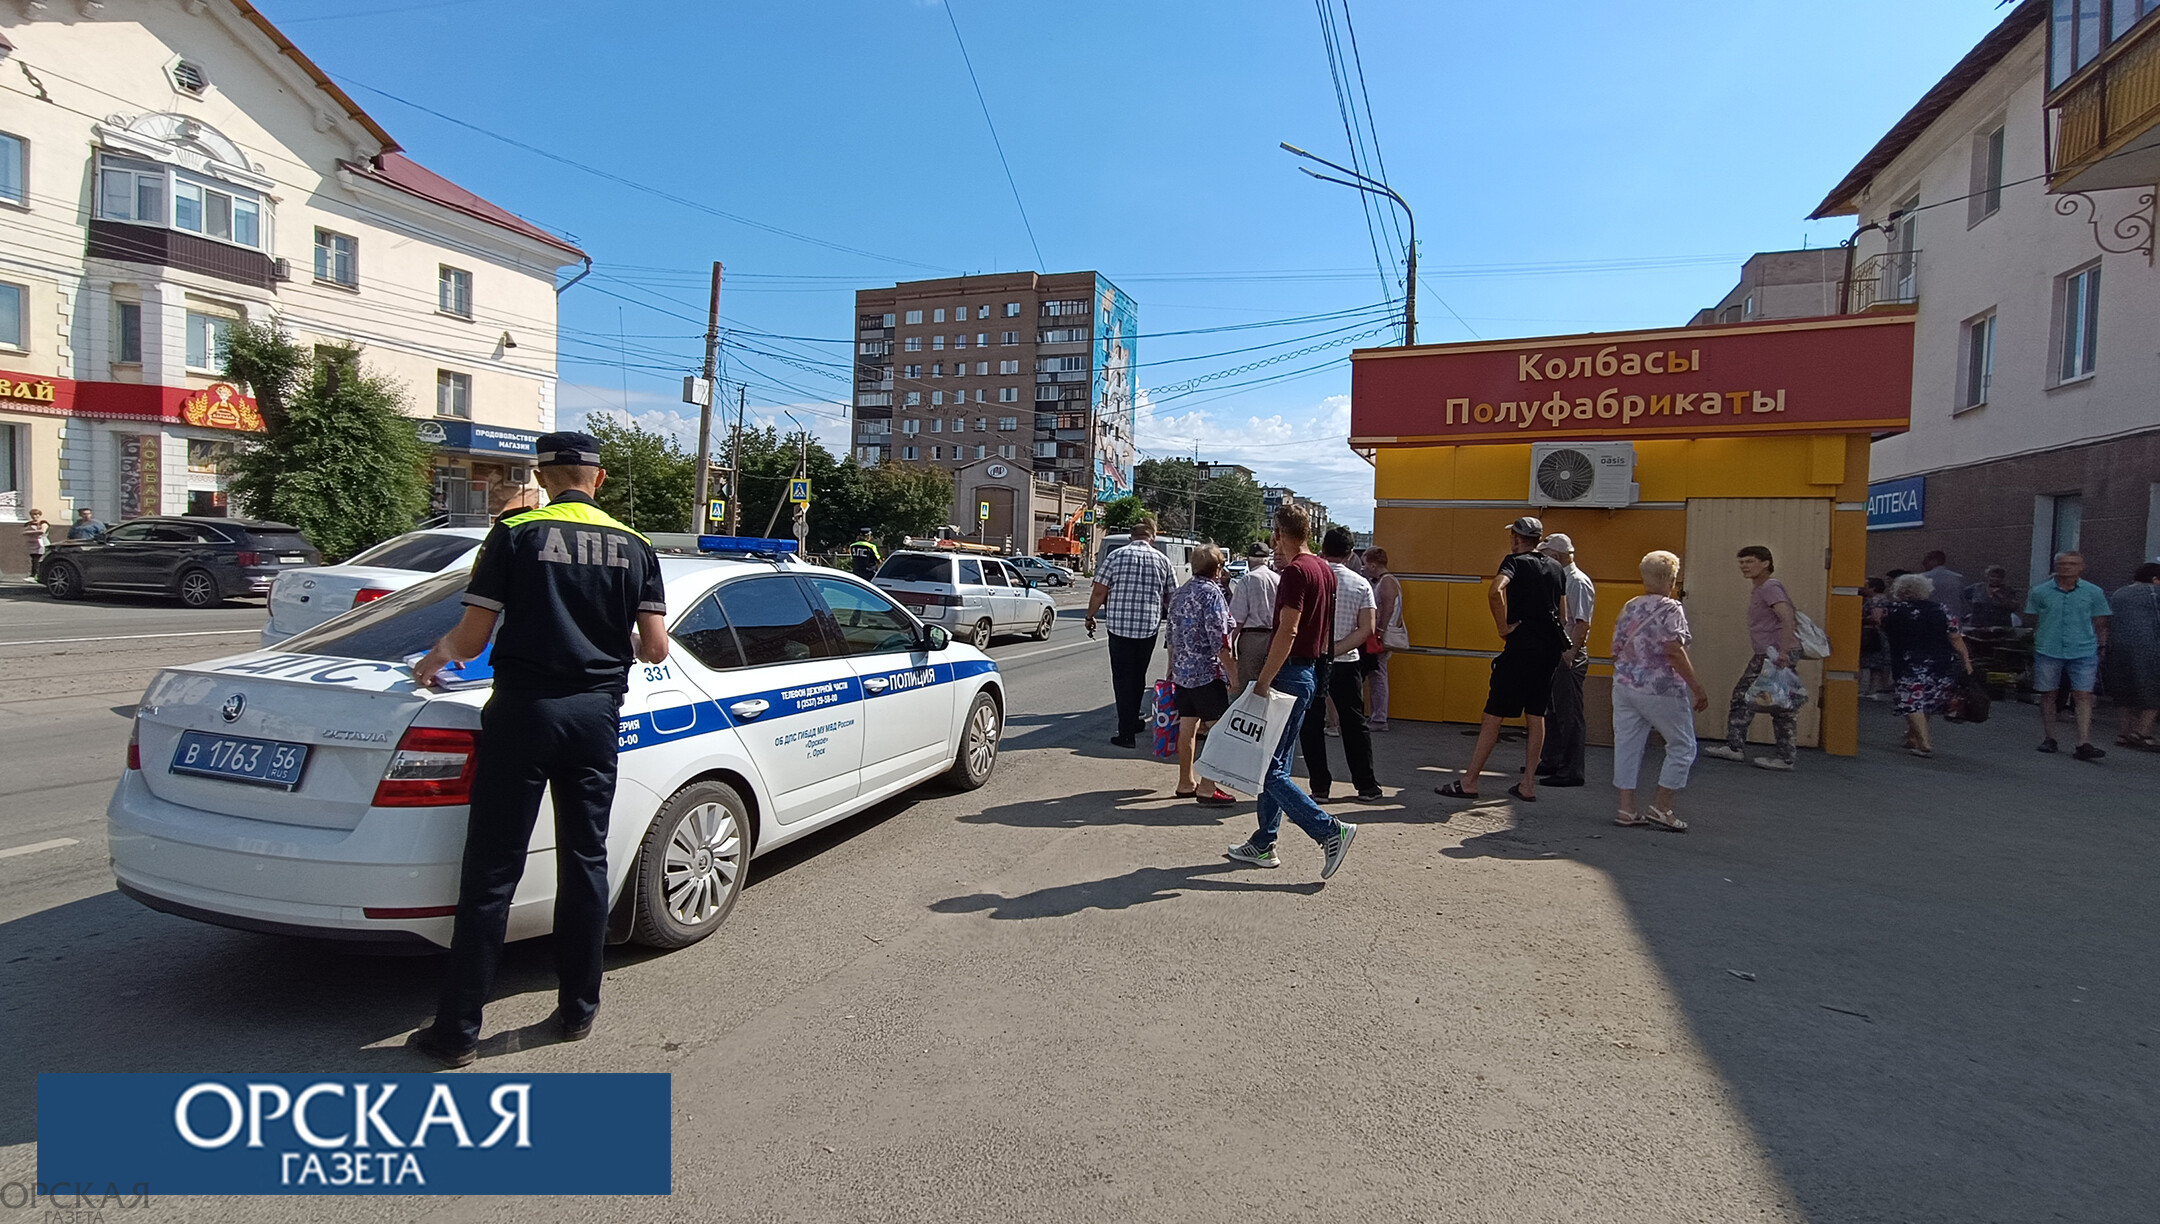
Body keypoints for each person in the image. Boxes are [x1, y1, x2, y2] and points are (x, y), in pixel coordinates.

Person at [407, 431, 669, 1067]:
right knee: (586, 860)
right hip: (594, 719)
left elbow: (473, 639)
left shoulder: (514, 535)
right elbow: (656, 648)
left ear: (544, 477)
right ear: (598, 480)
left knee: (494, 869)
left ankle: (458, 1030)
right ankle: (577, 1011)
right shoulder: (636, 546)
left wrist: (437, 654)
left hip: (523, 713)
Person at [1223, 505, 1358, 879]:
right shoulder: (1322, 570)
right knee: (1276, 763)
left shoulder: (1296, 572)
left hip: (1288, 674)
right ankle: (1264, 842)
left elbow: (1289, 629)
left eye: (1273, 535)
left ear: (1279, 533)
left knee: (1268, 768)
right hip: (1307, 673)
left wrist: (1264, 680)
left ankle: (1329, 830)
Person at [1436, 516, 1568, 802]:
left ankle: (1470, 781)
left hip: (1520, 648)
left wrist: (1503, 627)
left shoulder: (1514, 562)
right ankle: (1528, 784)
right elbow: (1564, 614)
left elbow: (1495, 591)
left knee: (1493, 715)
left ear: (1516, 538)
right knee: (1536, 715)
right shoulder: (1557, 568)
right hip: (1549, 651)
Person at [1609, 550, 1707, 833]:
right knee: (1682, 746)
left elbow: (1615, 647)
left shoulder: (1630, 606)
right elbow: (1673, 651)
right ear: (1671, 578)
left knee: (1628, 745)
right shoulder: (1671, 608)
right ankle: (1661, 807)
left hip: (1625, 685)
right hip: (1660, 688)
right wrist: (1697, 687)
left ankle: (1626, 809)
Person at [1701, 545, 1802, 772]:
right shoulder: (1761, 589)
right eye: (1742, 563)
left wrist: (1784, 652)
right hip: (1772, 653)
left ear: (1765, 563)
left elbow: (1787, 618)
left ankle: (1738, 747)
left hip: (1774, 654)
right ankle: (1780, 755)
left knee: (1746, 697)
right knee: (1779, 703)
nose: (1744, 567)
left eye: (1749, 561)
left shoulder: (1770, 587)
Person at [1300, 526, 1382, 804]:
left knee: (1311, 723)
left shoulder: (1312, 578)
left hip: (1312, 660)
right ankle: (1366, 785)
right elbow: (1367, 627)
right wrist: (1337, 649)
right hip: (1347, 661)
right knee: (1354, 723)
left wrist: (1321, 649)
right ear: (1350, 553)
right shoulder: (1361, 584)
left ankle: (1320, 787)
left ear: (1323, 548)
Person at [1086, 516, 1175, 748]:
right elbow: (1173, 599)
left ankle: (1126, 733)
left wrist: (1090, 616)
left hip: (1119, 628)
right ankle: (1133, 720)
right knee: (1138, 677)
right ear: (1152, 538)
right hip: (1148, 628)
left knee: (1123, 679)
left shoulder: (1115, 557)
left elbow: (1099, 592)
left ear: (1130, 537)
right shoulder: (1163, 561)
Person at [1166, 545, 1238, 805]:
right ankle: (1208, 786)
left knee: (1188, 726)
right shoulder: (1212, 594)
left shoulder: (1180, 593)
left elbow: (1171, 636)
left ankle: (1185, 782)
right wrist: (1234, 675)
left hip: (1182, 673)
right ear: (1218, 568)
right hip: (1207, 673)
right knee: (1218, 730)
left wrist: (1171, 668)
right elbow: (1219, 639)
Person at [2024, 551, 2111, 761]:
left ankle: (2083, 742)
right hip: (2048, 648)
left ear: (2081, 567)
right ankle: (2050, 737)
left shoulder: (2093, 592)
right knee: (2048, 694)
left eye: (2072, 564)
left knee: (2083, 695)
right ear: (2055, 566)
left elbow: (2101, 622)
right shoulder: (2040, 591)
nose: (2066, 568)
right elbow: (2032, 620)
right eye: (2062, 564)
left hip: (2083, 649)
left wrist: (2102, 646)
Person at [1881, 573, 1973, 758]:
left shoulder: (1893, 610)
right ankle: (1913, 737)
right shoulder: (1941, 609)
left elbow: (1884, 629)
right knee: (1927, 701)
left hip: (1908, 663)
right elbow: (1955, 637)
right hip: (1940, 662)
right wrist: (1967, 661)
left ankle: (1923, 741)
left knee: (1912, 702)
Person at [1533, 533, 1595, 788]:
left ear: (1556, 557)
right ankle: (1552, 759)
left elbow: (1581, 622)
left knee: (1569, 713)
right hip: (1556, 652)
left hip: (1569, 654)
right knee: (1552, 710)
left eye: (1545, 556)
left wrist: (1569, 654)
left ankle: (1572, 769)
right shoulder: (1562, 578)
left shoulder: (1577, 582)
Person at [2106, 563, 2160, 752]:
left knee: (2124, 692)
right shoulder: (2154, 592)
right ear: (2155, 579)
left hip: (2119, 647)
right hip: (2150, 647)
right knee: (2153, 688)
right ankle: (2143, 733)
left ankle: (2124, 733)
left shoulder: (2119, 593)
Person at [1228, 540, 1279, 692]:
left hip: (1251, 639)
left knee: (1248, 688)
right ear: (1267, 559)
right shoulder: (1279, 580)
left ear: (1249, 560)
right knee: (1270, 687)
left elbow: (1236, 619)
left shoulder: (1247, 580)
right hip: (1275, 638)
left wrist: (1229, 647)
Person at [1363, 546, 1404, 730]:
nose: (1364, 568)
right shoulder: (1389, 580)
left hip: (1382, 635)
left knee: (1378, 676)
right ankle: (1377, 716)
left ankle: (1379, 718)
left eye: (1365, 564)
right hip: (1384, 633)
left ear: (1373, 565)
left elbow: (1387, 609)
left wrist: (1379, 630)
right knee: (1377, 674)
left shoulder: (1386, 582)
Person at [1859, 576, 1892, 698]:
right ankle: (1874, 690)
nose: (1862, 588)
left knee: (1874, 662)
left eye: (1865, 585)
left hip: (1875, 635)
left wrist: (1860, 619)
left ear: (1873, 588)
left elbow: (1876, 618)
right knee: (1876, 665)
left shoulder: (1876, 600)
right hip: (1880, 635)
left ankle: (1873, 689)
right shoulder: (1881, 599)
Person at [1962, 566, 2021, 630]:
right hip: (1977, 626)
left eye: (1998, 577)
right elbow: (1961, 596)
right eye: (1992, 576)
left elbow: (2014, 607)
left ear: (2002, 578)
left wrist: (2000, 596)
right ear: (1987, 576)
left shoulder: (2008, 590)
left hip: (2001, 628)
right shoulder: (1977, 588)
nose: (1995, 579)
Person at [1918, 550, 1966, 623]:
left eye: (1926, 560)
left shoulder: (1921, 578)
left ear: (1935, 561)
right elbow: (1963, 600)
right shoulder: (1958, 578)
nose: (1923, 563)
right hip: (1954, 619)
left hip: (1929, 620)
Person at [19, 509, 50, 580]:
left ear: (40, 515)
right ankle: (34, 575)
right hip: (32, 544)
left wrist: (30, 532)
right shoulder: (28, 524)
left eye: (37, 514)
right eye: (33, 514)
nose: (35, 516)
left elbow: (42, 531)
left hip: (42, 544)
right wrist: (33, 532)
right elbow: (23, 532)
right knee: (34, 559)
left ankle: (36, 576)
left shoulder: (43, 523)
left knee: (39, 559)